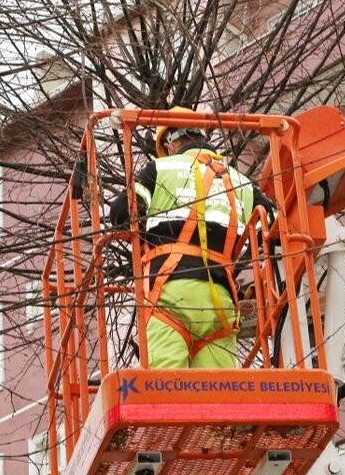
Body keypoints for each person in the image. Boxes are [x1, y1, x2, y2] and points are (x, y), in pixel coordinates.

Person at [108, 109, 276, 369]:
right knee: (218, 399)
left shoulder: (160, 169)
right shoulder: (240, 182)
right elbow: (274, 225)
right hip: (220, 301)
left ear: (169, 143)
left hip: (171, 293)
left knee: (169, 396)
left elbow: (119, 214)